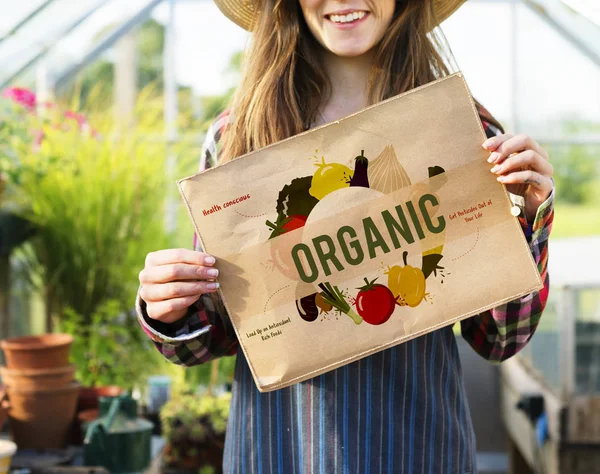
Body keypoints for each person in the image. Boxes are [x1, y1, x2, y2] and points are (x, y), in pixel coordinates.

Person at [136, 1, 554, 472]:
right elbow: (215, 336)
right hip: (282, 451)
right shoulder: (239, 138)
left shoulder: (464, 133)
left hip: (417, 450)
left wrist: (529, 218)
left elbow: (498, 339)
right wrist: (169, 306)